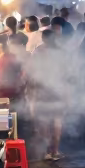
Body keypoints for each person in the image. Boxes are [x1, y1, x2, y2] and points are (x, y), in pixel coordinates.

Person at [30, 29, 67, 160]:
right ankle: (55, 151)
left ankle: (46, 152)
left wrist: (32, 94)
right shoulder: (61, 52)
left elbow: (33, 72)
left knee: (44, 122)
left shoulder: (38, 52)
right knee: (57, 122)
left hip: (43, 91)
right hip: (57, 91)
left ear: (44, 38)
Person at [0, 34, 25, 101]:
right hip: (15, 94)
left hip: (6, 96)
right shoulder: (10, 57)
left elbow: (2, 82)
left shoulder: (4, 60)